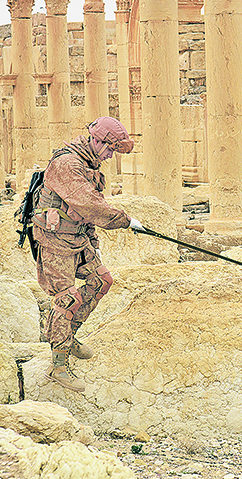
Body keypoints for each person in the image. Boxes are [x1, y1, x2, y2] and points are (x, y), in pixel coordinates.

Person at [32, 116, 145, 392]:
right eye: (109, 149)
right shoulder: (68, 164)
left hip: (79, 238)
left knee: (101, 280)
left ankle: (68, 336)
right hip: (55, 241)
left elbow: (85, 213)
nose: (109, 156)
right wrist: (125, 220)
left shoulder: (89, 164)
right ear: (96, 140)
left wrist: (93, 242)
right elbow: (90, 203)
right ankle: (58, 366)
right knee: (68, 298)